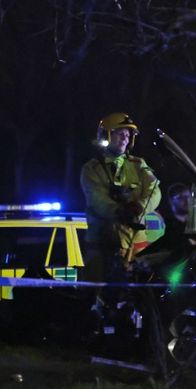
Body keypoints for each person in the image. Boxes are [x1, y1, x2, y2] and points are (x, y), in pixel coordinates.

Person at [80, 112, 161, 283]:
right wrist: (118, 211)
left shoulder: (139, 165)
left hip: (136, 246)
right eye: (120, 134)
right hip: (101, 246)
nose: (125, 138)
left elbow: (155, 191)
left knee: (140, 294)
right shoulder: (91, 169)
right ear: (106, 135)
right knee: (95, 294)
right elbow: (96, 199)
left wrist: (139, 207)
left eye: (128, 135)